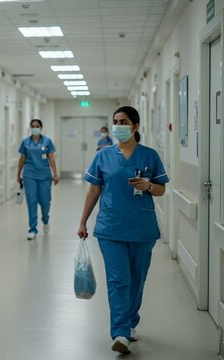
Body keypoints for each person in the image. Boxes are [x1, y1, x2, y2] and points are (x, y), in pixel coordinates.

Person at [77, 106, 169, 354]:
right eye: (115, 121)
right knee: (119, 281)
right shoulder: (103, 156)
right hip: (110, 229)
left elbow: (162, 189)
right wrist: (83, 221)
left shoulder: (150, 156)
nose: (118, 125)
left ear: (135, 126)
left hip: (142, 228)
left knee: (137, 280)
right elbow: (94, 190)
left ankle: (130, 323)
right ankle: (120, 333)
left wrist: (149, 185)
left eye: (124, 121)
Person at [16, 119, 59, 240]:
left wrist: (55, 174)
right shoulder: (25, 142)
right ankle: (32, 229)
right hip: (29, 175)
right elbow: (22, 159)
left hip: (45, 176)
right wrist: (18, 174)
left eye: (37, 126)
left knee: (45, 203)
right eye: (33, 126)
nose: (35, 128)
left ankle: (45, 220)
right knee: (31, 202)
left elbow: (52, 158)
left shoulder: (47, 141)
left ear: (41, 127)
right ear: (30, 128)